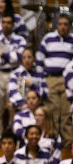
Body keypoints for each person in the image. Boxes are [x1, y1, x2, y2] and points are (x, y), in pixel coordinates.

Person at [36, 13, 73, 148]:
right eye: (60, 24)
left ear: (70, 26)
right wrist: (41, 82)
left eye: (66, 24)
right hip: (50, 80)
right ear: (56, 25)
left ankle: (67, 147)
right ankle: (52, 145)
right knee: (52, 113)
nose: (63, 27)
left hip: (66, 81)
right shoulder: (48, 39)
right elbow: (39, 61)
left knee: (66, 114)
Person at [0, 14, 26, 135]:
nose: (6, 25)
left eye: (9, 22)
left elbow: (19, 58)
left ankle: (15, 135)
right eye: (3, 22)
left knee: (14, 106)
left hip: (15, 74)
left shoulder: (20, 40)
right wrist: (10, 55)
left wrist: (2, 54)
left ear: (13, 25)